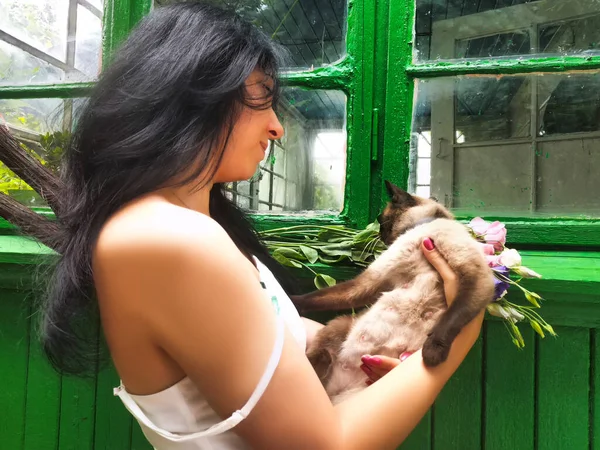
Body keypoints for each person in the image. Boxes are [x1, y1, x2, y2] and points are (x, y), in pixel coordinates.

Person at [38, 3, 484, 449]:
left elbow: (273, 334)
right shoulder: (170, 238)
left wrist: (370, 333)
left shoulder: (185, 223)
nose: (277, 128)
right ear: (198, 96)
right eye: (263, 98)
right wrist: (460, 329)